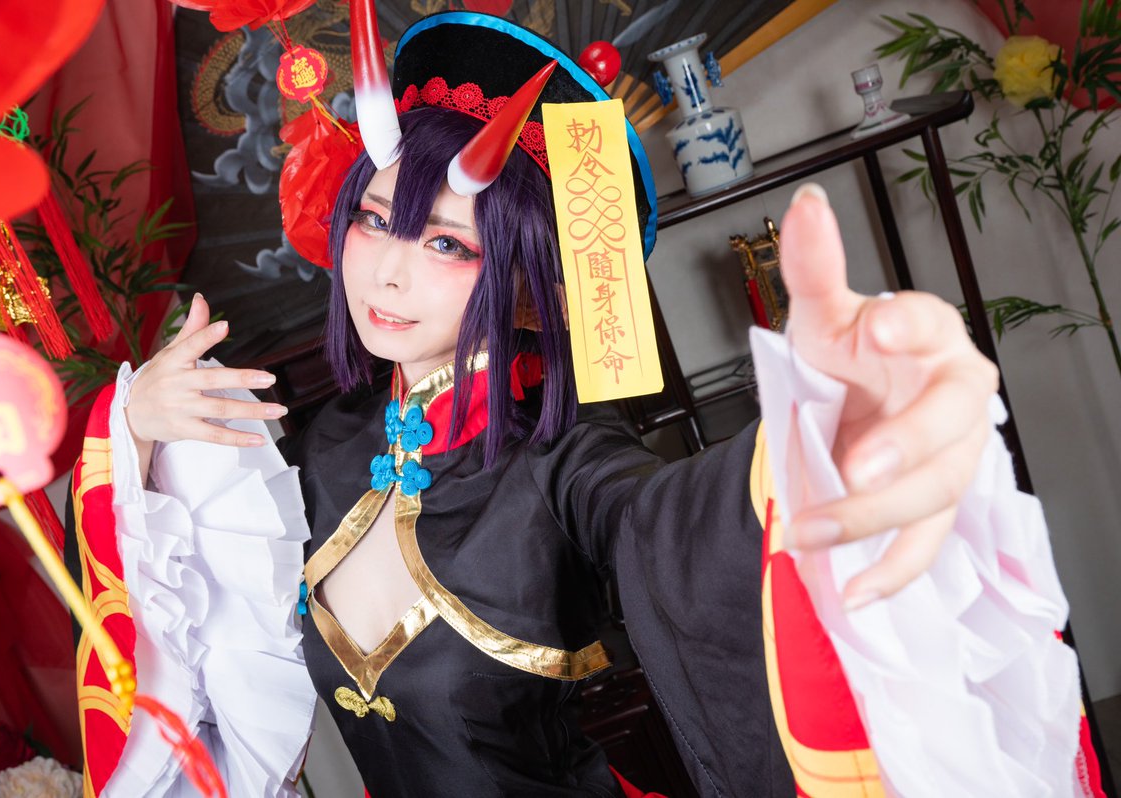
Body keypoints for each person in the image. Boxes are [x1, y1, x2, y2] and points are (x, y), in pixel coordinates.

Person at [68, 5, 1101, 797]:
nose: (387, 270)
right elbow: (189, 634)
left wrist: (821, 440)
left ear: (525, 282)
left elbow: (666, 515)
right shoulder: (323, 450)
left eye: (445, 243)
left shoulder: (557, 458)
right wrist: (138, 434)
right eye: (376, 221)